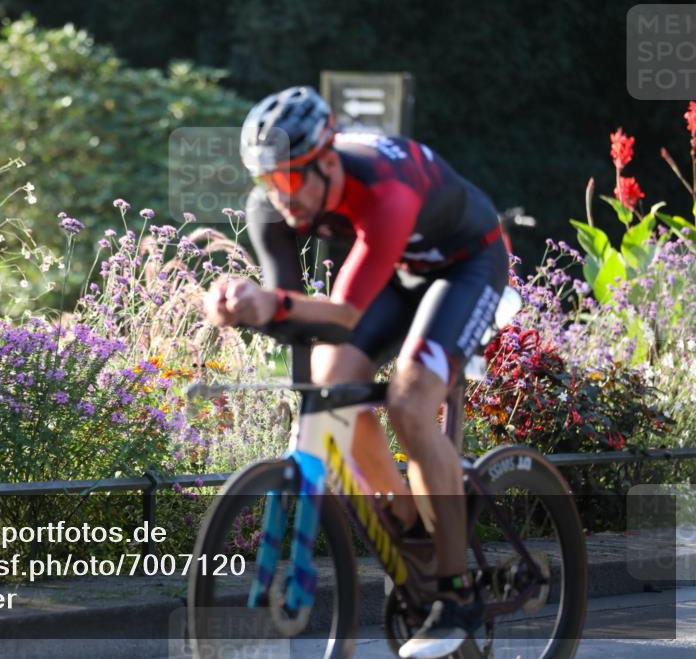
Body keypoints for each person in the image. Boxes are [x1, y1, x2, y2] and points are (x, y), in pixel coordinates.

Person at [203, 86, 508, 659]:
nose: (280, 197)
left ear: (326, 162)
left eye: (292, 180)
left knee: (410, 402)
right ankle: (409, 527)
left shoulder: (381, 189)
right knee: (329, 378)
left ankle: (456, 592)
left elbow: (341, 313)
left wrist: (269, 305)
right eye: (268, 181)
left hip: (466, 265)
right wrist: (239, 306)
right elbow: (294, 311)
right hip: (397, 273)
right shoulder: (273, 203)